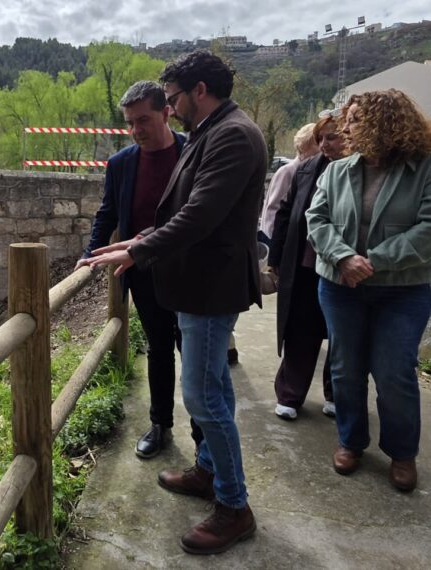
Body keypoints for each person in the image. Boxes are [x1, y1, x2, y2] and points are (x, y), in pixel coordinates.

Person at [81, 50, 267, 554]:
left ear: (198, 91)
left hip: (208, 287)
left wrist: (137, 246)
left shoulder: (231, 135)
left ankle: (233, 506)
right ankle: (210, 472)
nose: (171, 108)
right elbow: (182, 210)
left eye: (172, 99)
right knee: (211, 390)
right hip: (194, 283)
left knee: (204, 396)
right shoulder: (216, 131)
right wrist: (131, 243)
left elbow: (200, 215)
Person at [306, 89, 431, 493]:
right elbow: (317, 217)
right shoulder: (337, 170)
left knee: (394, 372)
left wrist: (374, 259)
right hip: (341, 285)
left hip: (403, 289)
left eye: (357, 119)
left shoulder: (424, 169)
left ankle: (402, 453)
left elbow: (429, 228)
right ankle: (351, 441)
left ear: (386, 122)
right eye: (348, 118)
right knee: (345, 368)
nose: (347, 126)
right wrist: (343, 257)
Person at [77, 80, 201, 459]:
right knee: (160, 349)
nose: (136, 130)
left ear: (167, 112)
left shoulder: (194, 152)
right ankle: (160, 424)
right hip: (143, 272)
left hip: (189, 271)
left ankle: (204, 435)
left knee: (194, 357)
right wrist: (90, 254)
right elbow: (108, 212)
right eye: (130, 123)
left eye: (143, 120)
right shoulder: (121, 164)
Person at [268, 114, 347, 420]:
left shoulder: (362, 172)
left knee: (341, 335)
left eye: (333, 137)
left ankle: (336, 393)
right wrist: (275, 261)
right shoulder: (305, 170)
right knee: (300, 330)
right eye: (322, 138)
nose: (326, 144)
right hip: (303, 267)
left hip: (344, 271)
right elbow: (285, 217)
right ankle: (290, 394)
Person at [260, 123, 319, 242]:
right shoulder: (288, 171)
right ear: (305, 144)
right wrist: (275, 242)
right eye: (317, 141)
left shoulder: (311, 170)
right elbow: (273, 210)